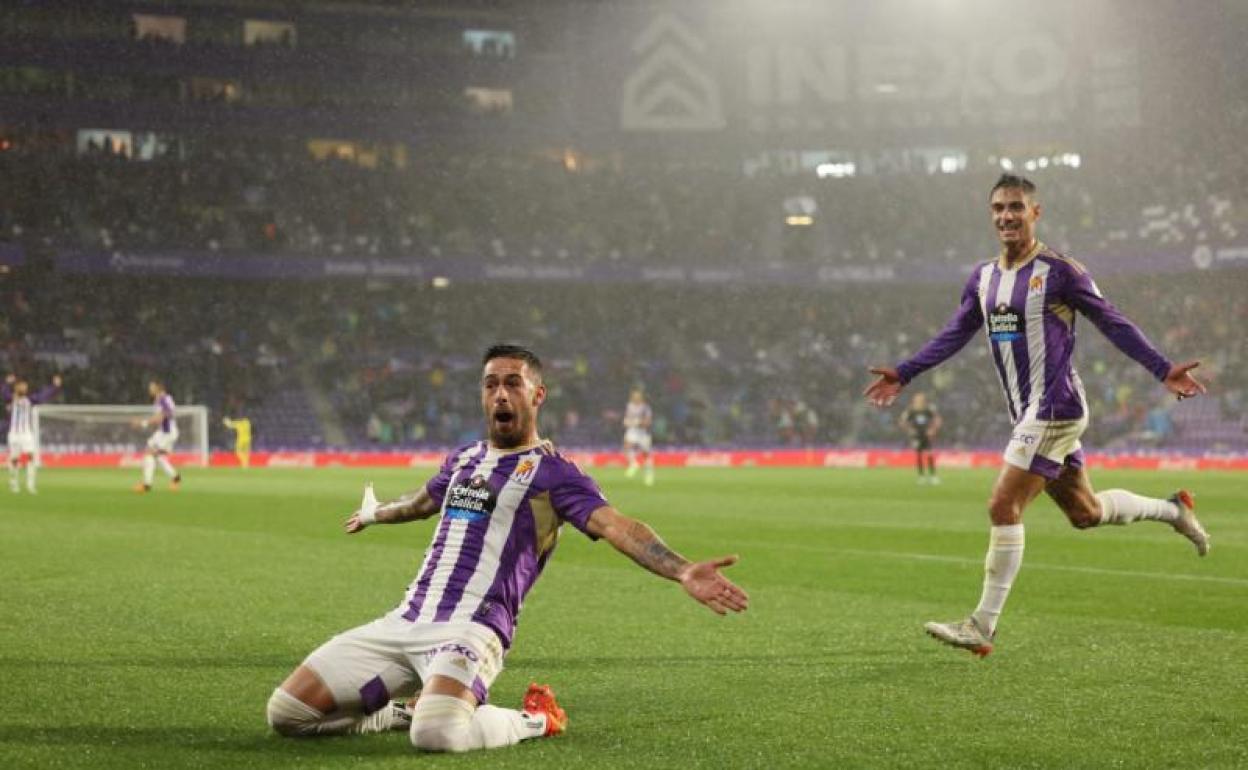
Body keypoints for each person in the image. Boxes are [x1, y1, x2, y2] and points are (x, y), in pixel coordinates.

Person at [266, 345, 748, 752]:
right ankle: (396, 712)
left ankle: (537, 719)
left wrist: (682, 570)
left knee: (435, 734)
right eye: (491, 383)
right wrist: (376, 514)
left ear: (536, 395)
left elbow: (617, 526)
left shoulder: (555, 473)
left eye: (513, 383)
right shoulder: (465, 458)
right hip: (406, 620)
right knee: (288, 713)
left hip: (473, 628)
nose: (500, 393)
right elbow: (422, 501)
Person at [863, 174, 1210, 657]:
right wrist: (904, 372)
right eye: (999, 208)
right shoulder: (983, 278)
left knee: (1002, 506)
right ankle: (1174, 510)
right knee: (1085, 514)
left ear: (1035, 213)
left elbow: (1111, 320)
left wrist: (1161, 368)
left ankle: (982, 625)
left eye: (1016, 207)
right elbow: (954, 333)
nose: (1007, 216)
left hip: (1055, 407)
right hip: (1029, 410)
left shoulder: (1060, 271)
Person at [4, 373, 62, 494]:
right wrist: (7, 382)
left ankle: (30, 484)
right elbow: (3, 390)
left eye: (25, 386)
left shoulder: (30, 400)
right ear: (17, 388)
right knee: (14, 458)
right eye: (21, 386)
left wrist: (54, 387)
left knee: (31, 456)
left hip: (26, 433)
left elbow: (44, 395)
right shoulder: (10, 398)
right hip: (14, 434)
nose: (23, 388)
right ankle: (14, 483)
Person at [133, 380, 181, 492]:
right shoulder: (159, 400)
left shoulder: (164, 399)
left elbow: (167, 413)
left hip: (167, 433)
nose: (150, 389)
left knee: (149, 453)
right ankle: (176, 478)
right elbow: (161, 415)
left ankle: (146, 485)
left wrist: (143, 423)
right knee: (157, 456)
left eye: (152, 387)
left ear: (158, 388)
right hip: (162, 432)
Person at [898, 392, 942, 484]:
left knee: (929, 454)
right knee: (919, 455)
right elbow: (902, 421)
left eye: (921, 399)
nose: (919, 401)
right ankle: (921, 476)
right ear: (914, 400)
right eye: (917, 399)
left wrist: (932, 430)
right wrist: (909, 430)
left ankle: (933, 476)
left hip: (926, 435)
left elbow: (937, 419)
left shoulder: (928, 409)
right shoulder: (911, 410)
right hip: (917, 435)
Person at [622, 387, 655, 485]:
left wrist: (639, 422)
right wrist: (626, 421)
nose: (636, 398)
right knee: (626, 446)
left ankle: (649, 475)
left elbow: (648, 422)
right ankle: (634, 464)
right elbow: (627, 417)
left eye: (638, 397)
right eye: (634, 397)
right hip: (632, 431)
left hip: (643, 433)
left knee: (646, 455)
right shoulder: (629, 406)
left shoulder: (645, 408)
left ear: (641, 398)